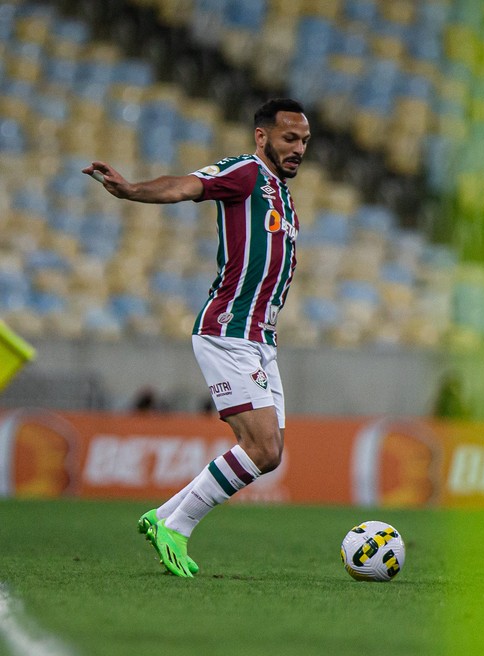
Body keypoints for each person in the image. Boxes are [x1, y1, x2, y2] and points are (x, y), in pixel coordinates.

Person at [83, 98, 310, 578]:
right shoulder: (245, 173)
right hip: (228, 330)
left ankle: (162, 516)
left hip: (261, 339)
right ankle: (179, 527)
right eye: (290, 138)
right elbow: (187, 186)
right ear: (262, 137)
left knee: (270, 455)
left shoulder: (281, 194)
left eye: (305, 141)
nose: (298, 148)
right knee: (263, 448)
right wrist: (130, 191)